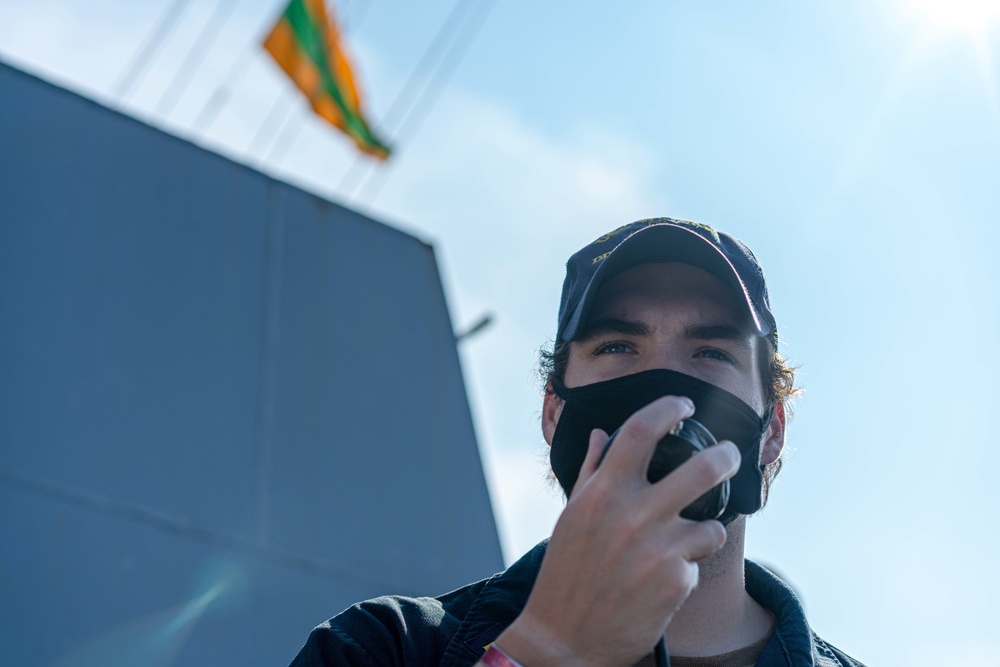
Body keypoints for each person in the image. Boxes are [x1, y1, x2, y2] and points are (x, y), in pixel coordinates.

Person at [290, 218, 865, 667]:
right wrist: (546, 651)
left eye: (712, 353)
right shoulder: (380, 650)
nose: (664, 388)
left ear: (773, 433)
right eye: (617, 346)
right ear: (553, 412)